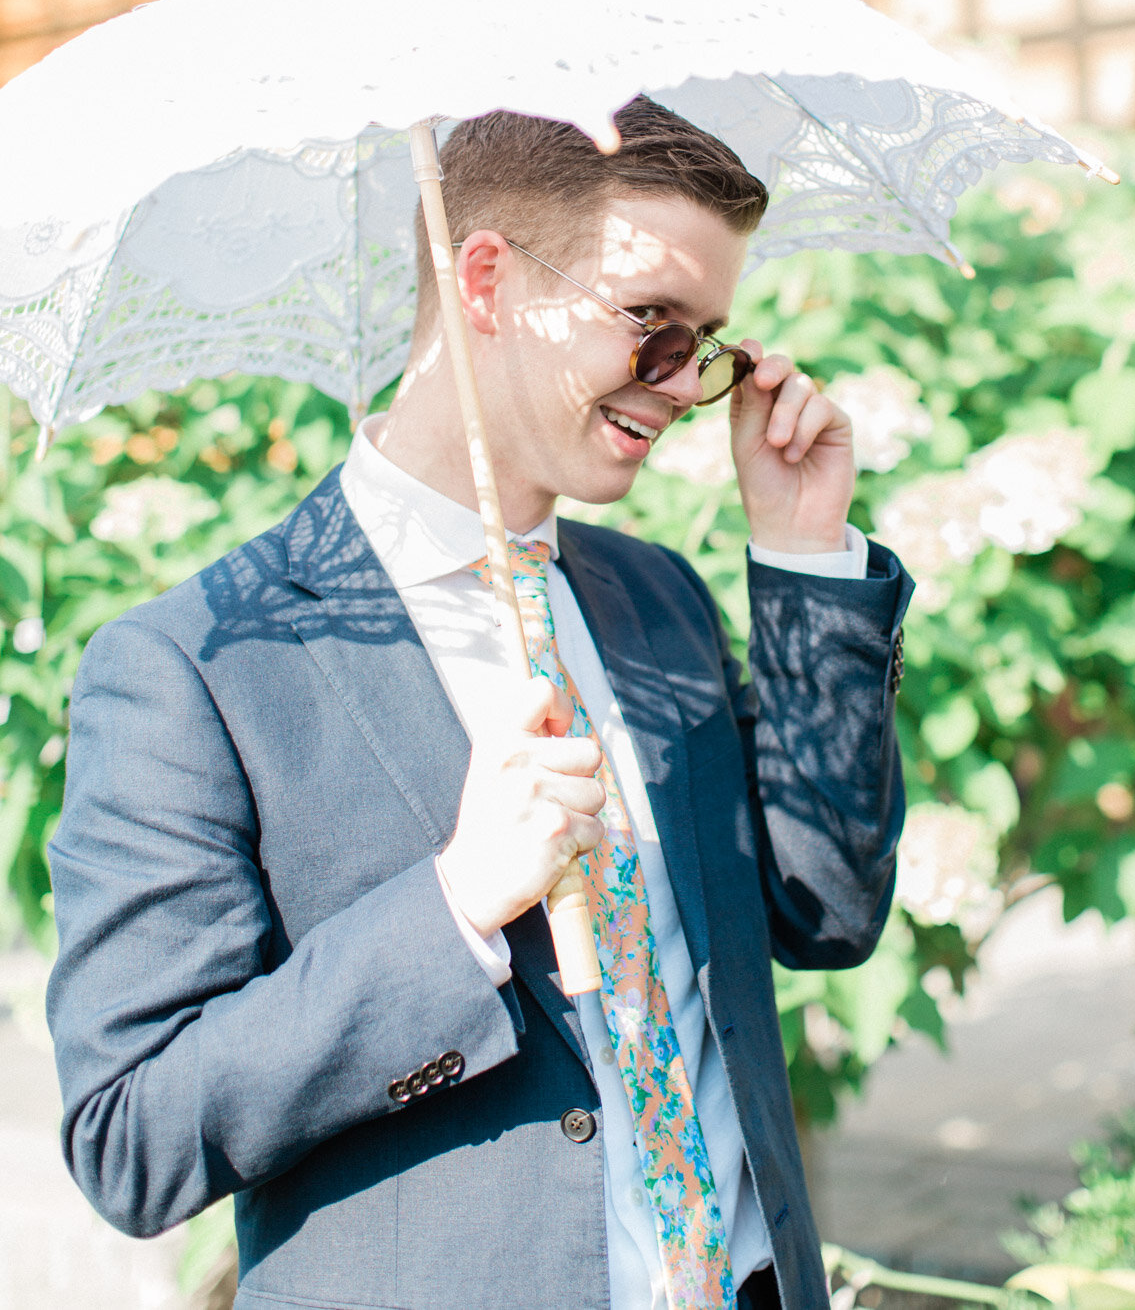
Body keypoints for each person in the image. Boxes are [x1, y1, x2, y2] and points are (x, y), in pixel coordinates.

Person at [46, 98, 912, 1310]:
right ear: (488, 280)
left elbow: (823, 910)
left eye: (708, 342)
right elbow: (131, 1135)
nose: (682, 384)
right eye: (652, 325)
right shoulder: (196, 663)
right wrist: (452, 903)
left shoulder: (651, 597)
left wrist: (807, 558)